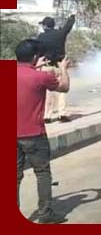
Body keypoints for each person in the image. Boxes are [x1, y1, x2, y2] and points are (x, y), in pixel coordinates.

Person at [16, 39, 70, 224]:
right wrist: (63, 68)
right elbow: (64, 87)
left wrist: (34, 66)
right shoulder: (41, 77)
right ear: (34, 57)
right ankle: (45, 213)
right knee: (42, 173)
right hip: (34, 134)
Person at [36, 15, 75, 123]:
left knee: (48, 91)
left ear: (45, 26)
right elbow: (68, 27)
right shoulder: (60, 34)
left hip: (46, 66)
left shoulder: (41, 37)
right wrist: (72, 17)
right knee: (62, 90)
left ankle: (47, 115)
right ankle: (62, 114)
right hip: (60, 66)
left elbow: (37, 52)